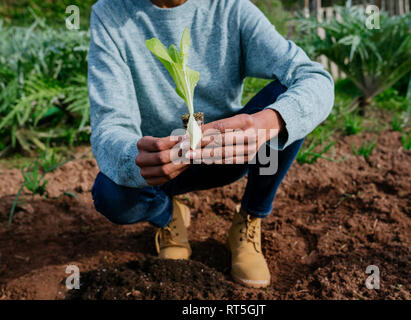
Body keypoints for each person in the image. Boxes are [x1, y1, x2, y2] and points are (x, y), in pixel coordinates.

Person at [88, 0, 334, 288]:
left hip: (228, 153)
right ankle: (166, 216)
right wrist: (133, 157)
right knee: (111, 194)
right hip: (160, 167)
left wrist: (265, 123)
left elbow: (315, 78)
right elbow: (109, 125)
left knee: (288, 102)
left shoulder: (230, 8)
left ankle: (250, 218)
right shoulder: (111, 13)